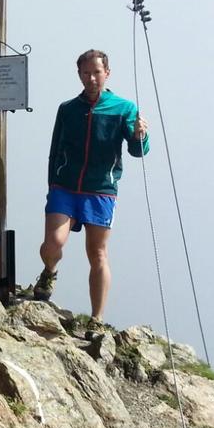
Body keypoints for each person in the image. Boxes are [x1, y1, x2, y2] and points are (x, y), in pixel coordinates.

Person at [32, 49, 148, 328]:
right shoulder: (68, 109)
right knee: (53, 244)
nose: (92, 78)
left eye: (97, 72)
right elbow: (54, 150)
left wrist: (139, 136)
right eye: (86, 73)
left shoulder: (124, 109)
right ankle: (50, 271)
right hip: (65, 187)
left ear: (107, 73)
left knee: (97, 253)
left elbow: (138, 151)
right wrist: (52, 185)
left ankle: (97, 318)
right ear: (79, 74)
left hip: (101, 190)